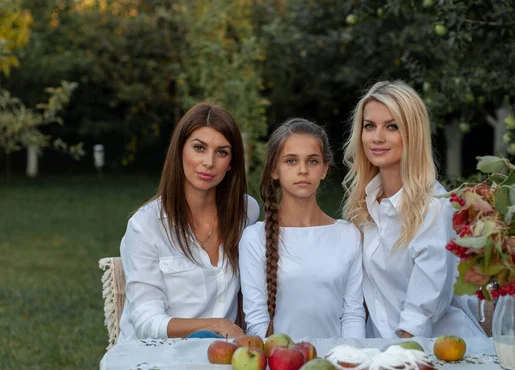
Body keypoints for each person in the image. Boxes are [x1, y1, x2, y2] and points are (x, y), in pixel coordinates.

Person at [342, 80, 485, 339]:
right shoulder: (363, 207)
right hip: (383, 350)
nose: (377, 137)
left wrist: (393, 364)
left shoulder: (433, 207)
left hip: (442, 353)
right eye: (369, 126)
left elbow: (420, 315)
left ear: (412, 133)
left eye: (392, 126)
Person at [118, 103, 260, 341]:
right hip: (157, 360)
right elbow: (146, 322)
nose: (209, 162)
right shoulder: (145, 226)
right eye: (199, 148)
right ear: (180, 150)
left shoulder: (246, 212)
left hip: (222, 359)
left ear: (232, 163)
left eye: (222, 152)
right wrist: (218, 325)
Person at [239, 118, 365, 339]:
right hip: (278, 364)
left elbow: (353, 315)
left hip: (335, 362)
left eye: (312, 161)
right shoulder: (254, 238)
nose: (303, 170)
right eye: (291, 161)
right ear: (274, 170)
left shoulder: (348, 235)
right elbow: (257, 322)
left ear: (324, 169)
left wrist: (350, 359)